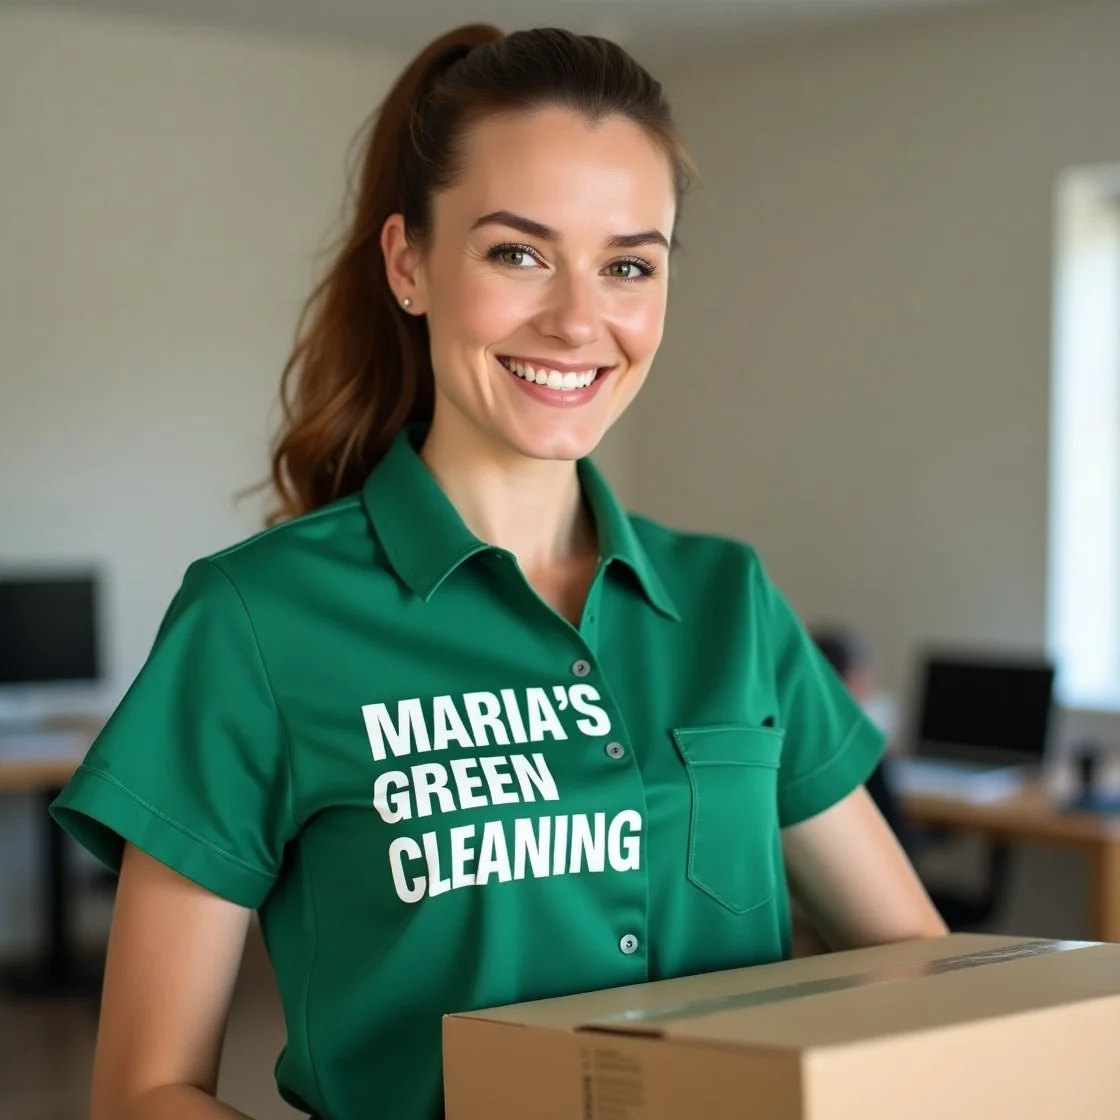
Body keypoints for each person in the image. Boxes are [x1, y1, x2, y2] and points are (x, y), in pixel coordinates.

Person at [50, 24, 946, 1120]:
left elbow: (922, 979)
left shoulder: (728, 602)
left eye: (628, 265)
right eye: (518, 252)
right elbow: (142, 1091)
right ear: (408, 263)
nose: (578, 320)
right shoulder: (257, 620)